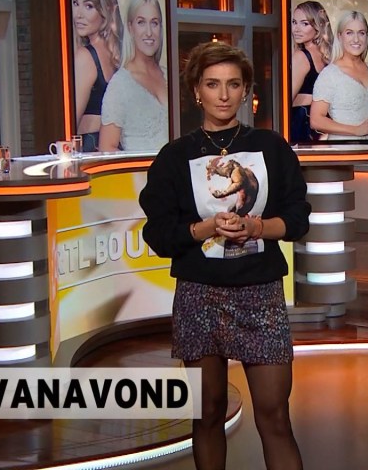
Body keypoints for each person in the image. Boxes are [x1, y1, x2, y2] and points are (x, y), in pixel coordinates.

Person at [139, 41, 309, 470]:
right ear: (196, 90)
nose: (223, 94)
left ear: (246, 90)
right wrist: (206, 228)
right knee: (208, 414)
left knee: (275, 417)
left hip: (261, 293)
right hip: (200, 295)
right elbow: (158, 234)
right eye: (213, 84)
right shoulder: (175, 157)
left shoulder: (271, 147)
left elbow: (298, 218)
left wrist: (256, 228)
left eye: (233, 84)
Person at [99, 0, 168, 152]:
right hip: (142, 168)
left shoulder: (170, 76)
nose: (149, 32)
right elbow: (106, 148)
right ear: (130, 27)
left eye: (154, 23)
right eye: (141, 22)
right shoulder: (120, 85)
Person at [72, 0, 122, 152]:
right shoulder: (119, 54)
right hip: (113, 148)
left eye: (89, 6)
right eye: (75, 3)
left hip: (91, 148)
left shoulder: (85, 57)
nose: (78, 14)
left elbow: (69, 123)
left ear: (106, 9)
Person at [310, 10, 368, 140]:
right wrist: (356, 130)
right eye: (349, 33)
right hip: (343, 148)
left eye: (361, 33)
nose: (356, 39)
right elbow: (316, 120)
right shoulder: (330, 74)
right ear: (339, 36)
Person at [290, 1, 332, 143]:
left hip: (302, 124)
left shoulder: (301, 57)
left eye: (304, 23)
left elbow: (285, 100)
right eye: (294, 22)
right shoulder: (330, 56)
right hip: (323, 127)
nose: (296, 29)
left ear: (318, 26)